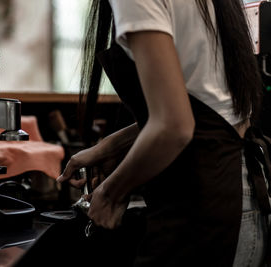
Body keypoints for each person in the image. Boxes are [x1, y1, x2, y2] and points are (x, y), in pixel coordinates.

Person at [57, 0, 270, 266]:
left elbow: (174, 126)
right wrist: (112, 146)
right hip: (240, 197)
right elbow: (211, 110)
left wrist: (111, 194)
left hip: (202, 206)